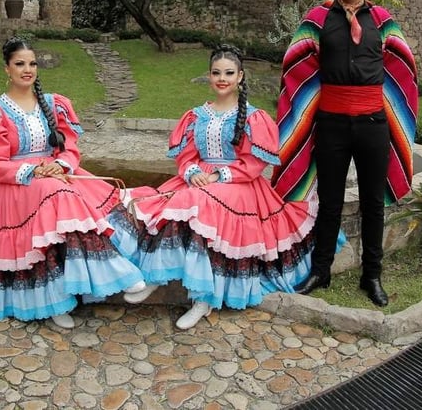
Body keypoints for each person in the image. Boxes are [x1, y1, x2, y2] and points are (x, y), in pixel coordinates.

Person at [107, 45, 318, 330]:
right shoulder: (196, 116)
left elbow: (253, 164)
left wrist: (218, 176)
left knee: (196, 204)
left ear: (240, 77)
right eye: (216, 73)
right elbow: (186, 156)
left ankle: (202, 299)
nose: (222, 78)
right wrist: (192, 171)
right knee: (174, 206)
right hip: (199, 181)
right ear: (209, 76)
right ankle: (156, 276)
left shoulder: (253, 117)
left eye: (229, 73)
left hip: (238, 184)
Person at [0, 37, 146, 329]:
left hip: (54, 175)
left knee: (74, 200)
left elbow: (70, 148)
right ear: (7, 69)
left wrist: (60, 164)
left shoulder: (53, 104)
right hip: (13, 185)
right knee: (60, 198)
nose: (27, 70)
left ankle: (100, 276)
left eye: (32, 63)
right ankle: (68, 294)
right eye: (19, 64)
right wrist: (33, 171)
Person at [273, 0, 418, 307]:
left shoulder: (383, 21)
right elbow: (296, 65)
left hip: (373, 124)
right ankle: (321, 271)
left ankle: (372, 275)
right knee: (330, 202)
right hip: (332, 123)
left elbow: (402, 66)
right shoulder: (317, 20)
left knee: (372, 203)